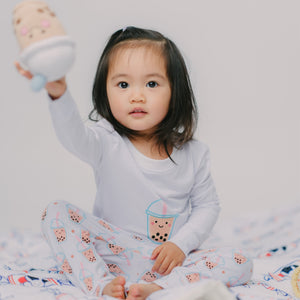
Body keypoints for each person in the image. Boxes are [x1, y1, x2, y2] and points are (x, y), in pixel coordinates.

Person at [16, 26, 253, 300]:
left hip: (168, 261)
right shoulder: (106, 141)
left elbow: (207, 206)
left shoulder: (193, 153)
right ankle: (101, 285)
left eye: (151, 84)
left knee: (240, 260)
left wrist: (180, 244)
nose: (136, 96)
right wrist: (59, 96)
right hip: (112, 253)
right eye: (123, 84)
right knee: (56, 213)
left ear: (174, 91)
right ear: (105, 91)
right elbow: (73, 137)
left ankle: (159, 289)